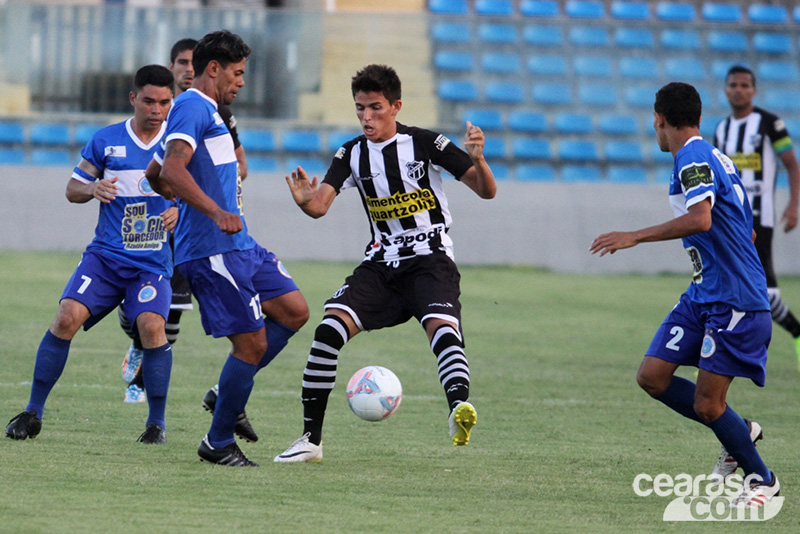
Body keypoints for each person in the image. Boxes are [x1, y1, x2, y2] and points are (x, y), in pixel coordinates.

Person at [274, 64, 496, 463]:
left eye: (375, 108)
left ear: (395, 106)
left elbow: (486, 192)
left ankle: (458, 410)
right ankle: (310, 440)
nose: (366, 118)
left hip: (430, 259)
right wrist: (306, 201)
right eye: (360, 109)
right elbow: (320, 207)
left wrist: (479, 161)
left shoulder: (427, 143)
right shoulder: (351, 153)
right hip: (381, 263)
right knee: (327, 332)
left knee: (443, 333)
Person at [590, 82, 780, 508]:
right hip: (704, 293)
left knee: (709, 405)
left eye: (654, 122)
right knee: (652, 376)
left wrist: (634, 236)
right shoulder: (714, 156)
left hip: (734, 300)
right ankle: (740, 431)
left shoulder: (692, 157)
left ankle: (762, 480)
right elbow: (742, 226)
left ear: (659, 119)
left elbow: (701, 219)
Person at [147, 30, 309, 466]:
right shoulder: (191, 106)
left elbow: (156, 172)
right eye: (237, 73)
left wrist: (182, 198)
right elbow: (175, 168)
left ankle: (226, 394)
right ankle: (217, 442)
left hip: (240, 244)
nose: (241, 81)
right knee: (251, 345)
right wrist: (215, 212)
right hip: (212, 248)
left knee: (294, 310)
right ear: (213, 69)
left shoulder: (209, 111)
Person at [5, 65, 176, 445]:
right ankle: (33, 412)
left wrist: (181, 209)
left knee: (151, 327)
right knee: (66, 317)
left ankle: (156, 425)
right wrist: (93, 188)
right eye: (149, 100)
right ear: (134, 99)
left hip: (150, 264)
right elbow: (72, 188)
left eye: (165, 102)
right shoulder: (106, 140)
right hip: (105, 258)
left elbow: (206, 196)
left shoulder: (179, 146)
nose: (156, 109)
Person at [120, 39, 251, 427]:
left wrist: (217, 190)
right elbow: (160, 171)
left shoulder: (217, 113)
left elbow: (239, 165)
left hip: (194, 226)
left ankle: (145, 375)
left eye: (192, 63)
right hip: (155, 227)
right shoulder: (171, 107)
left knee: (172, 311)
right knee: (142, 313)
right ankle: (140, 348)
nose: (187, 70)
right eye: (181, 62)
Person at [713, 65, 800, 370]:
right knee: (726, 283)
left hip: (759, 219)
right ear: (725, 89)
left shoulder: (769, 123)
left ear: (754, 90)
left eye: (745, 85)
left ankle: (796, 331)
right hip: (728, 221)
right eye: (733, 84)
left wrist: (793, 206)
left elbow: (791, 163)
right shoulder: (722, 130)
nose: (739, 89)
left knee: (765, 290)